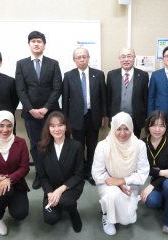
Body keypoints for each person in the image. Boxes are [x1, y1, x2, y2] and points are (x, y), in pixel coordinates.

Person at [15, 31, 62, 189]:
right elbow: (20, 90)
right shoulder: (21, 64)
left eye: (39, 41)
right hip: (30, 114)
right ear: (29, 44)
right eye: (33, 41)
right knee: (35, 145)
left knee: (52, 143)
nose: (36, 44)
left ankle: (53, 173)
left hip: (51, 113)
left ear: (44, 44)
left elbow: (57, 88)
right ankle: (40, 174)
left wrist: (46, 107)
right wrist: (31, 109)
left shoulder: (53, 63)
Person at [92, 112, 149, 236]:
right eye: (118, 129)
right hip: (107, 184)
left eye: (126, 129)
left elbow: (142, 172)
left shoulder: (140, 145)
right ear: (113, 128)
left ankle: (126, 205)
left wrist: (122, 181)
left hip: (130, 184)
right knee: (113, 194)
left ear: (131, 128)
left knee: (127, 219)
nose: (122, 133)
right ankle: (106, 216)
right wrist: (117, 185)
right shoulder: (103, 146)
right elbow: (97, 173)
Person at [62, 47, 107, 186]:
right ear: (74, 60)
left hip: (93, 116)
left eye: (84, 56)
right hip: (75, 118)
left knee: (93, 146)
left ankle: (91, 173)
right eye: (78, 57)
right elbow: (65, 99)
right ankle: (80, 174)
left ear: (88, 58)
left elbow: (103, 97)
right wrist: (65, 119)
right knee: (78, 147)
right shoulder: (68, 76)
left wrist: (104, 115)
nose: (82, 59)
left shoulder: (98, 74)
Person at [37, 111, 85, 233]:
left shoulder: (76, 146)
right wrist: (49, 193)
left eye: (60, 125)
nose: (57, 129)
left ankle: (73, 211)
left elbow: (79, 175)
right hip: (51, 189)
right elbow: (42, 177)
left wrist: (61, 189)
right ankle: (61, 205)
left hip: (70, 186)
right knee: (50, 219)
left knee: (65, 201)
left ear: (66, 126)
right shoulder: (42, 147)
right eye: (52, 126)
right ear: (48, 128)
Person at [107, 47, 149, 138]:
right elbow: (108, 97)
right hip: (116, 118)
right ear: (119, 59)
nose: (126, 59)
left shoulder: (143, 75)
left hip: (136, 119)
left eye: (129, 56)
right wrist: (109, 115)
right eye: (123, 57)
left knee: (133, 145)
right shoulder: (111, 75)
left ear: (134, 58)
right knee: (116, 144)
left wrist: (144, 116)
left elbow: (145, 98)